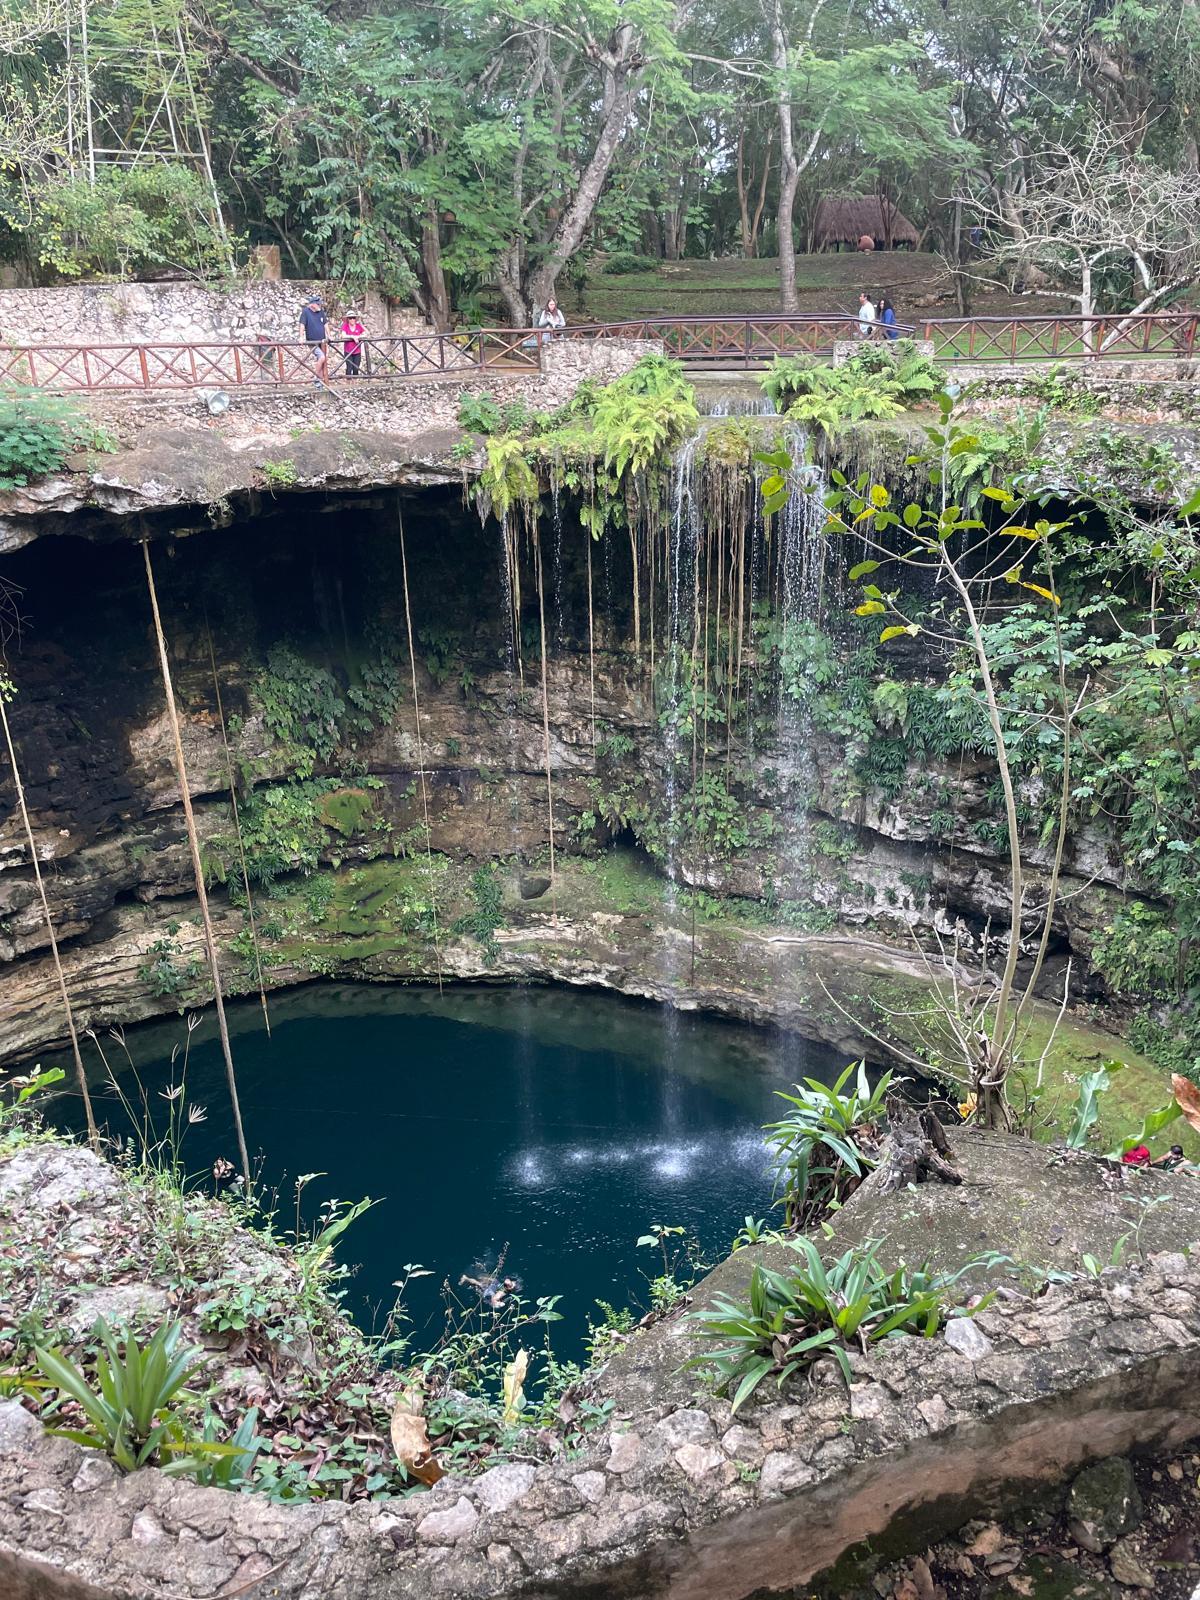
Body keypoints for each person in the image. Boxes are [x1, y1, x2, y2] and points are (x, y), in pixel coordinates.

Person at [300, 293, 328, 384]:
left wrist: (329, 335)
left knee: (322, 360)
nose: (319, 305)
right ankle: (317, 378)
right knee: (322, 357)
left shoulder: (321, 312)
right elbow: (302, 324)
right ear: (312, 304)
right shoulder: (306, 312)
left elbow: (326, 324)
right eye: (318, 304)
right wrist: (301, 337)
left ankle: (322, 379)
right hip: (312, 341)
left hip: (322, 341)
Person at [340, 308, 365, 378]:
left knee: (356, 368)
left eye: (353, 318)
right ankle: (348, 383)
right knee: (349, 367)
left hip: (357, 351)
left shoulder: (358, 326)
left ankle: (355, 383)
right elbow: (343, 335)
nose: (352, 320)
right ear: (347, 319)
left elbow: (366, 334)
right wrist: (353, 337)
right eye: (350, 318)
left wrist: (358, 336)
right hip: (348, 351)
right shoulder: (345, 326)